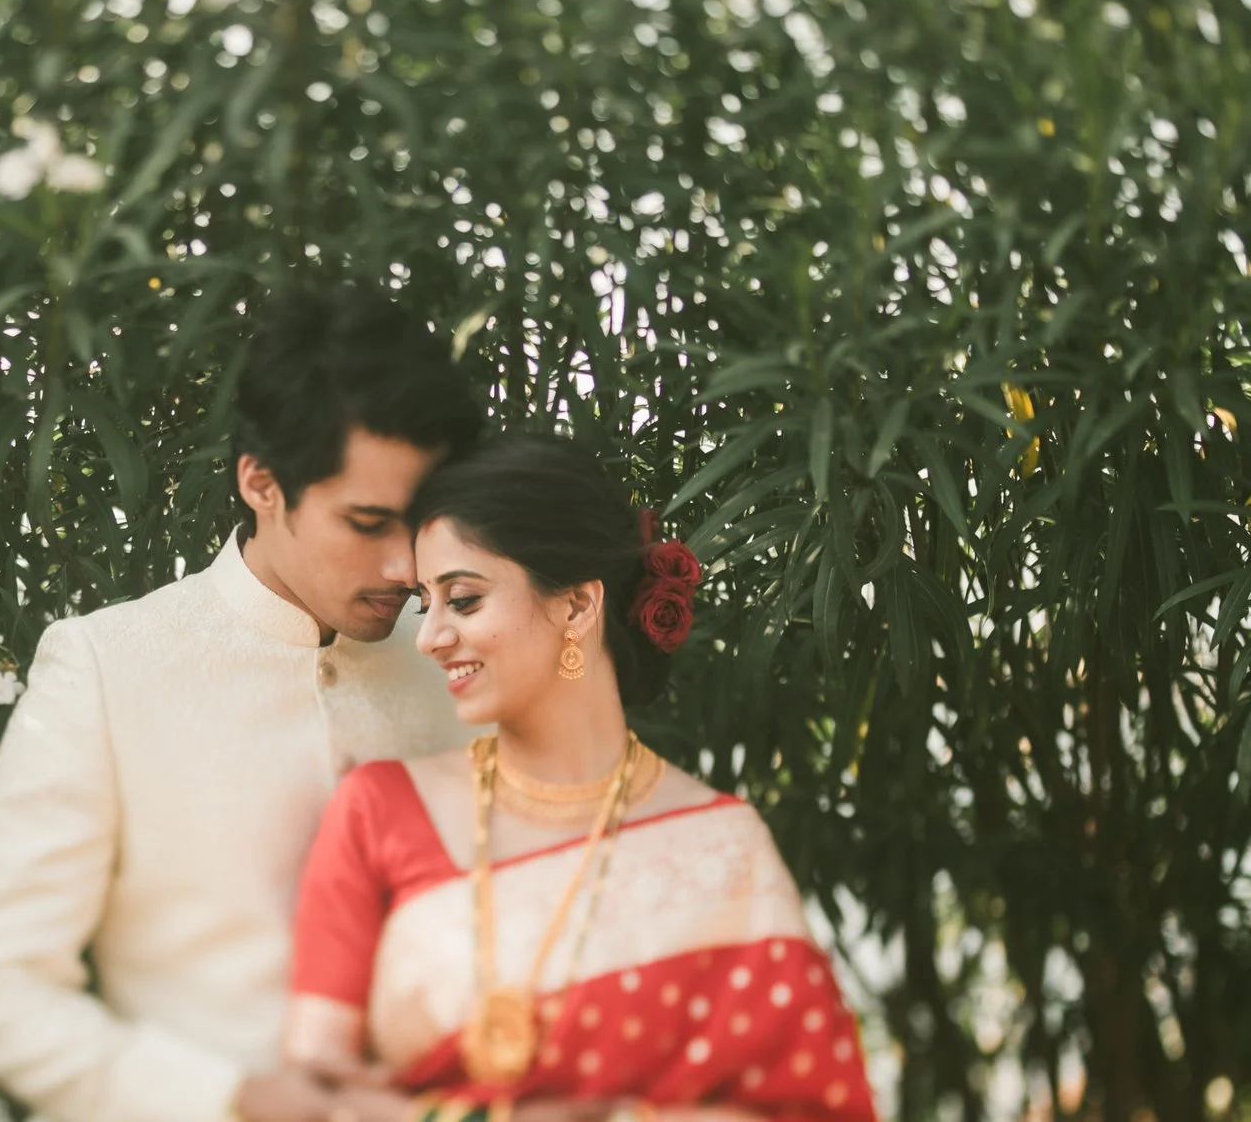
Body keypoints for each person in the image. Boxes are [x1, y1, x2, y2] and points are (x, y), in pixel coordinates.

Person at [0, 283, 484, 1122]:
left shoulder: (465, 663)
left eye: (421, 522)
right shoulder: (107, 667)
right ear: (261, 482)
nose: (404, 566)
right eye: (366, 521)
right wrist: (233, 1098)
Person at [282, 435, 877, 1122]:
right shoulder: (379, 812)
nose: (429, 637)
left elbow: (812, 1108)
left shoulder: (724, 850)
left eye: (464, 599)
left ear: (576, 606)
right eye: (425, 603)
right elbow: (313, 1099)